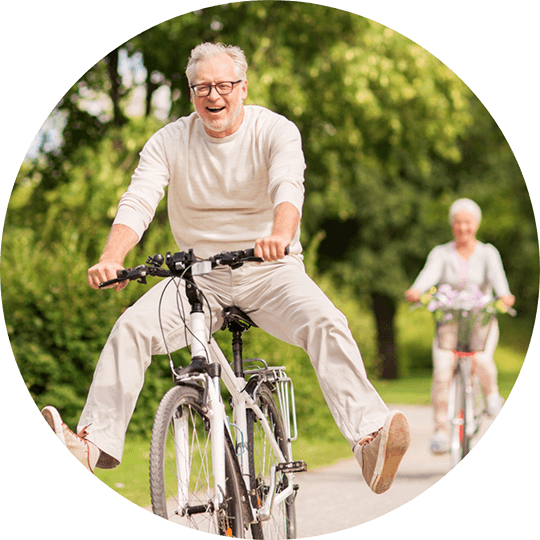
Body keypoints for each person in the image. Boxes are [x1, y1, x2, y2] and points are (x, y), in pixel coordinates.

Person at [41, 42, 409, 495]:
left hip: (270, 270)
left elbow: (287, 186)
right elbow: (139, 200)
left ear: (242, 88)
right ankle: (90, 446)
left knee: (326, 322)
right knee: (130, 330)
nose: (213, 96)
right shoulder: (169, 140)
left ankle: (369, 439)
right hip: (198, 277)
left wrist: (279, 234)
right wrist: (111, 257)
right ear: (191, 93)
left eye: (223, 85)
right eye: (202, 88)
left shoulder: (274, 130)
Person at [405, 198, 514, 454]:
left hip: (481, 321)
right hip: (450, 322)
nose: (463, 228)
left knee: (483, 360)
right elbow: (427, 277)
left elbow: (501, 286)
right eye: (458, 222)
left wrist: (505, 297)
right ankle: (441, 431)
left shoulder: (488, 253)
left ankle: (491, 397)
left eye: (468, 222)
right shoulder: (441, 253)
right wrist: (416, 290)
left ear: (476, 225)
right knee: (442, 371)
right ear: (452, 225)